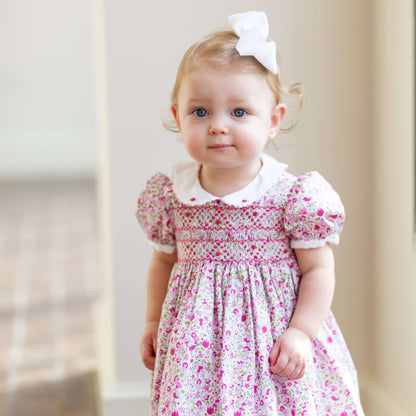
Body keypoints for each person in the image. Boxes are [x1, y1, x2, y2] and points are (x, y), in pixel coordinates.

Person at [136, 11, 364, 415]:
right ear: (178, 116)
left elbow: (318, 270)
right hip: (197, 352)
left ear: (273, 120)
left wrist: (301, 333)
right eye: (200, 112)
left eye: (238, 113)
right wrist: (154, 322)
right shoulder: (172, 195)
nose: (218, 127)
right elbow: (163, 262)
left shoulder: (292, 196)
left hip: (273, 344)